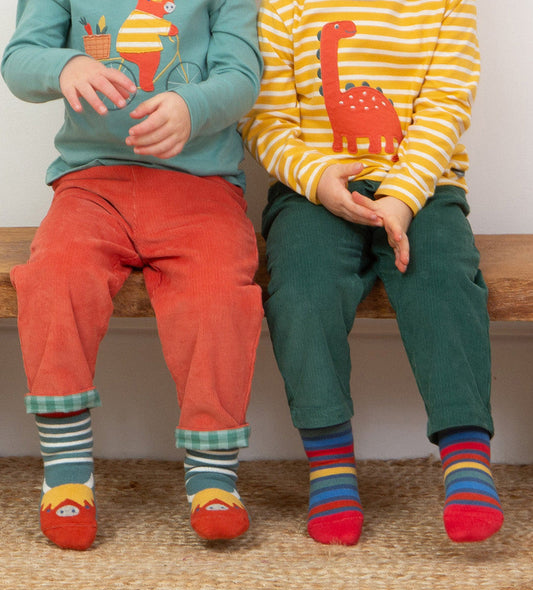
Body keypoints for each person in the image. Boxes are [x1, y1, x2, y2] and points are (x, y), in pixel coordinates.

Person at [2, 0, 264, 550]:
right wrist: (66, 65)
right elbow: (19, 60)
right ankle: (66, 473)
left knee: (218, 293)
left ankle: (213, 474)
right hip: (92, 183)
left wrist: (192, 106)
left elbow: (242, 75)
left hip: (202, 187)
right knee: (54, 277)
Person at [240, 0, 504, 545]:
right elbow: (265, 120)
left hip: (422, 186)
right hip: (313, 189)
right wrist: (319, 180)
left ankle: (466, 451)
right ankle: (330, 462)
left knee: (442, 279)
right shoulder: (284, 7)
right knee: (301, 288)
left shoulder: (445, 7)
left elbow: (445, 107)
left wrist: (402, 199)